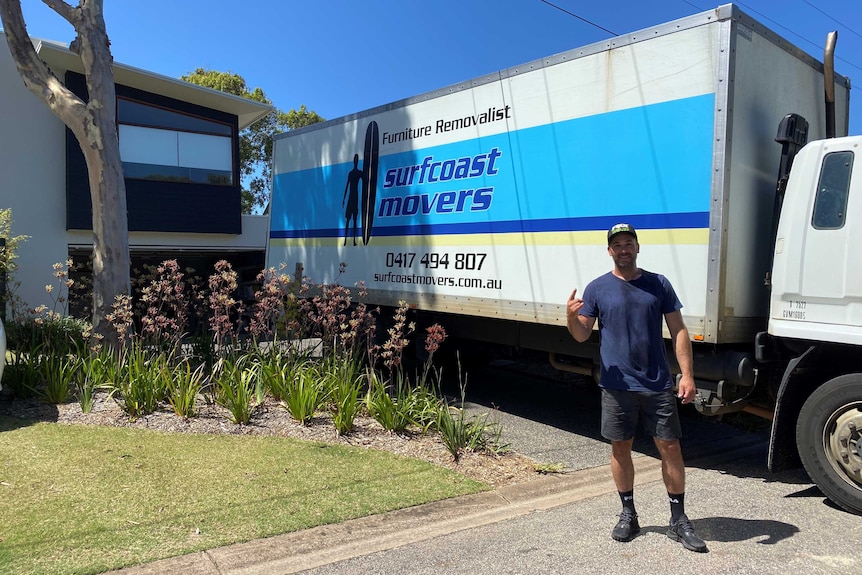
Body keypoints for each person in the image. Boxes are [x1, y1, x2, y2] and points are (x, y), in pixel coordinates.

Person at [565, 223, 707, 553]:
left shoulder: (658, 284)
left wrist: (686, 375)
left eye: (629, 243)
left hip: (657, 384)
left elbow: (679, 330)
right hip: (616, 386)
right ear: (609, 251)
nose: (623, 249)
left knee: (670, 447)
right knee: (620, 449)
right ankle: (628, 513)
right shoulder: (598, 288)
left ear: (638, 247)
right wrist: (571, 316)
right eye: (617, 244)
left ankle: (678, 519)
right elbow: (582, 334)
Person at [342, 153, 364, 246]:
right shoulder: (351, 173)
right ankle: (346, 239)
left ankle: (354, 240)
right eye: (355, 159)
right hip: (351, 197)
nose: (355, 161)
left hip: (355, 197)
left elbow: (365, 180)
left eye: (356, 159)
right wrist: (344, 198)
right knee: (348, 220)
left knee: (354, 219)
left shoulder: (359, 173)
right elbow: (347, 186)